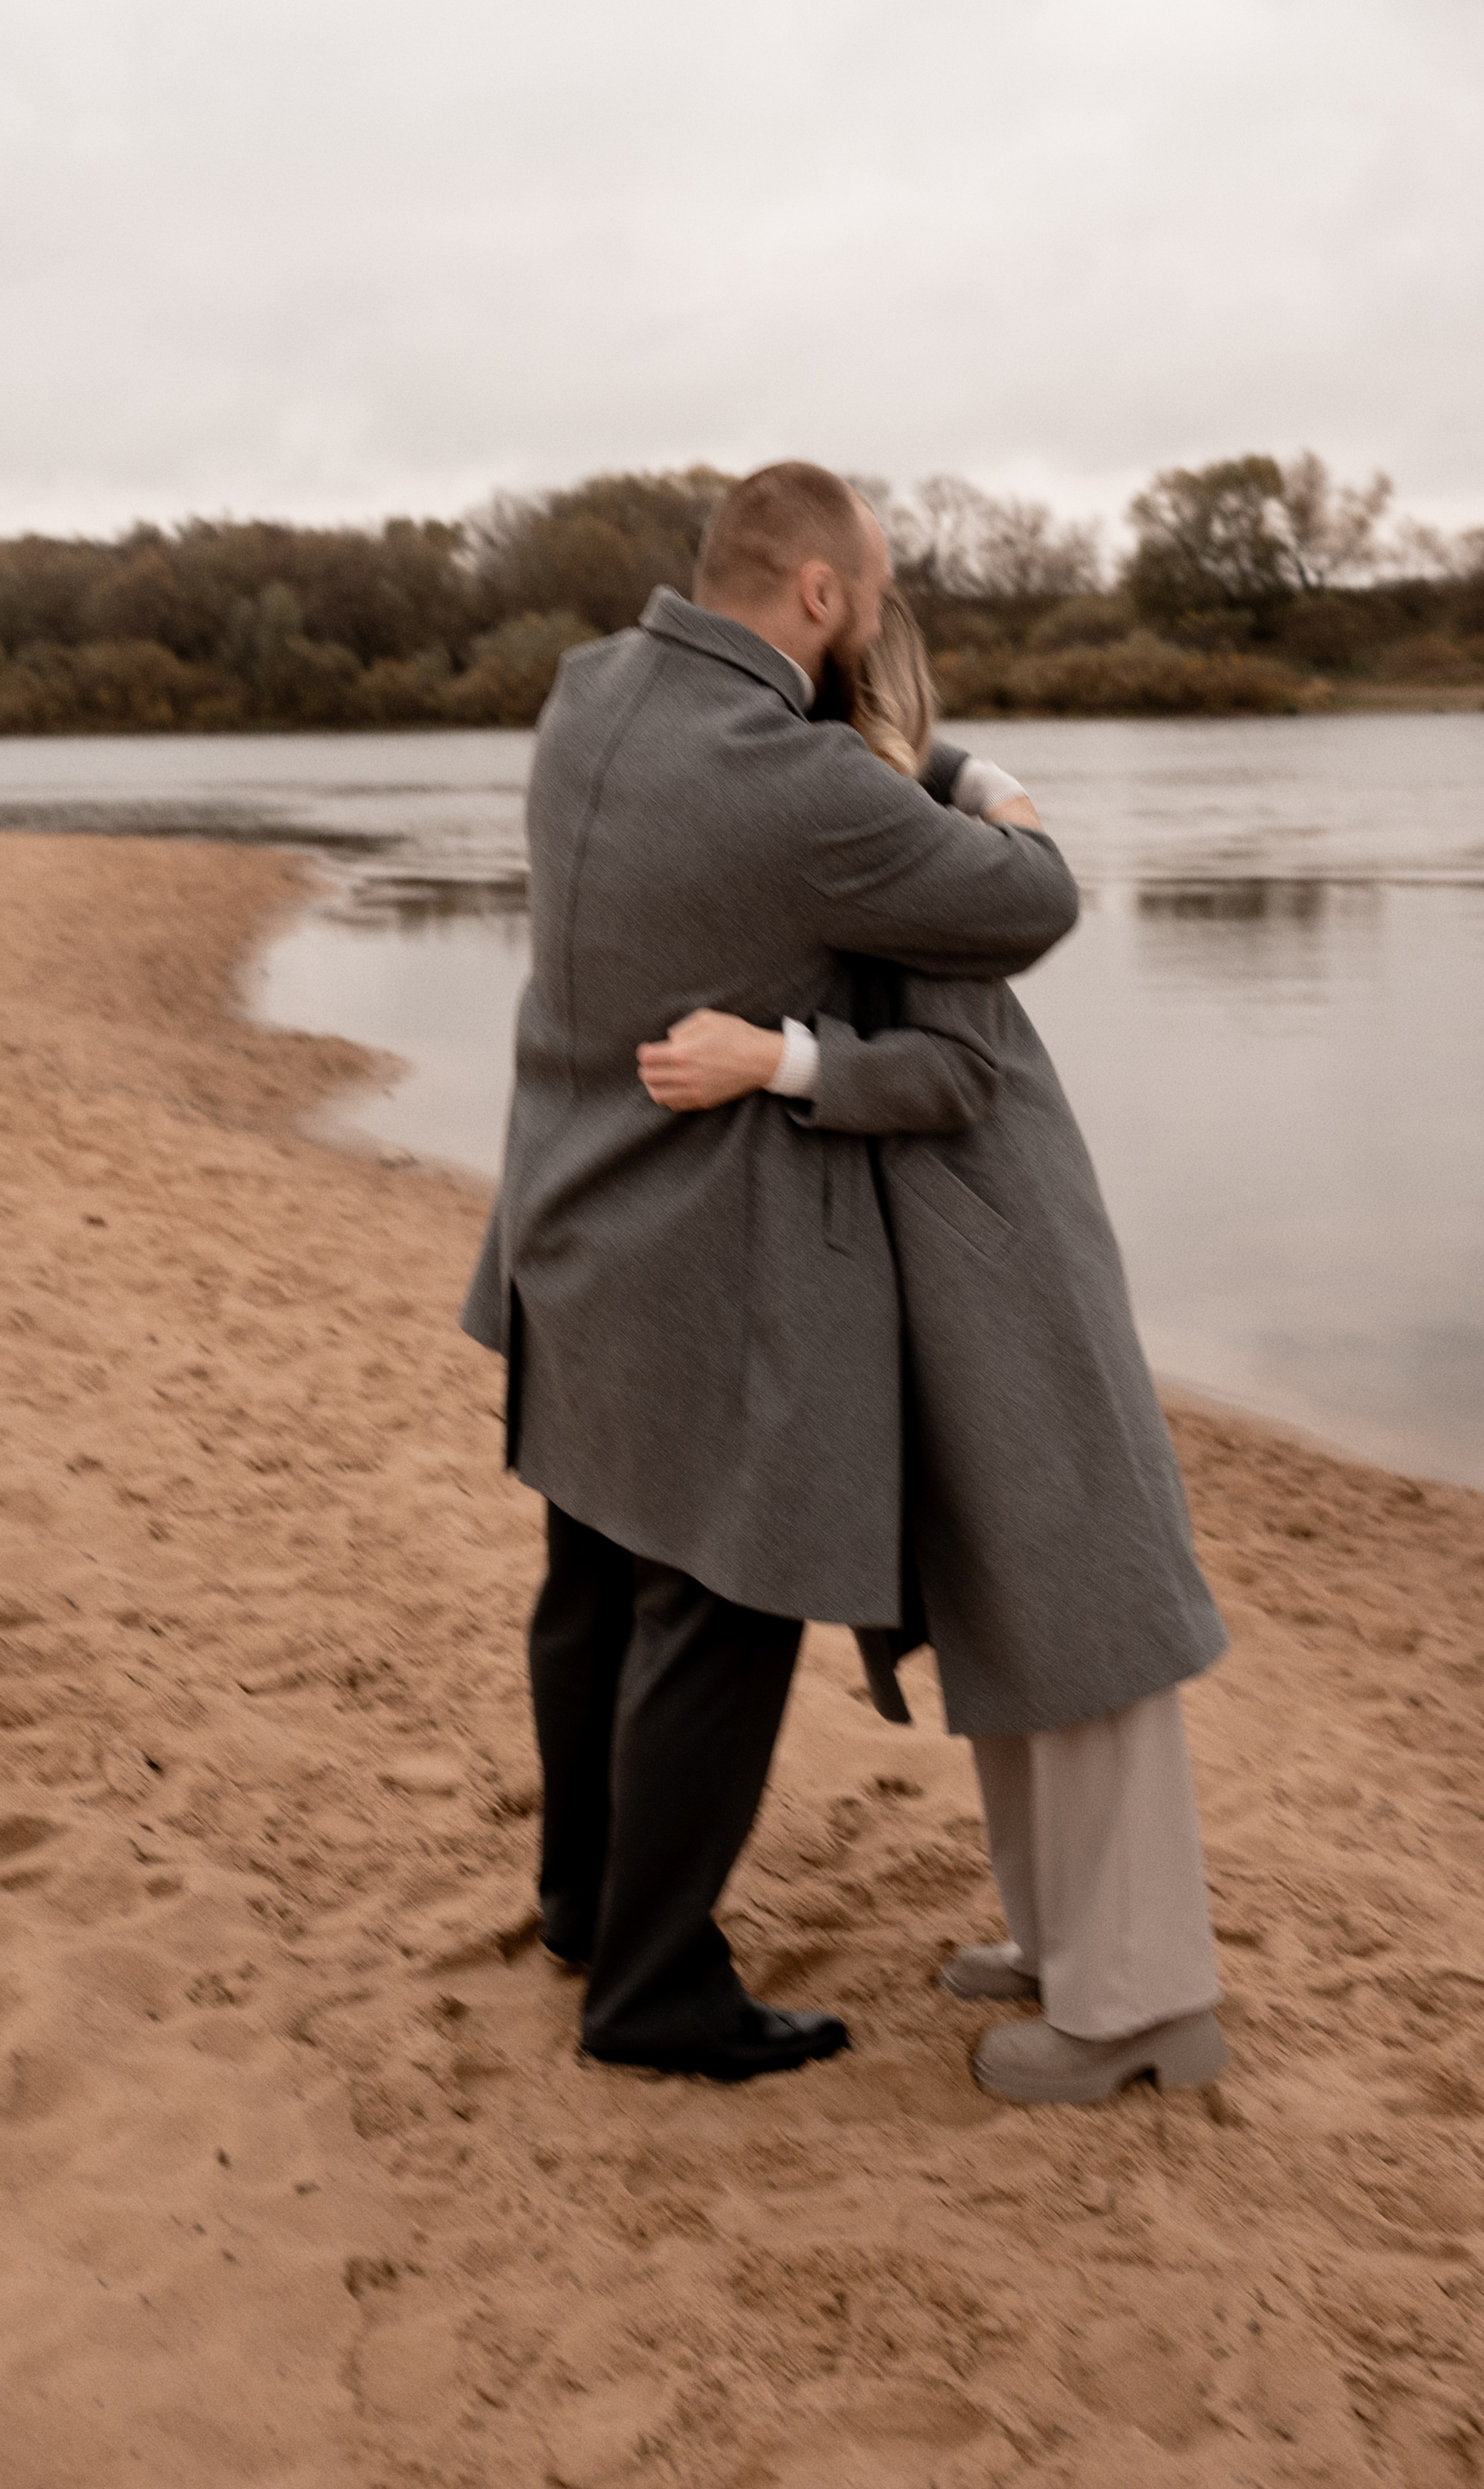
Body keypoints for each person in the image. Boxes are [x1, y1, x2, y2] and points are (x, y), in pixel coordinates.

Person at [460, 466, 1080, 2083]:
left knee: (589, 1581)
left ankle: (588, 1906)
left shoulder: (589, 692)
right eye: (868, 588)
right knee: (719, 1613)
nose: (874, 611)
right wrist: (983, 778)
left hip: (556, 1220)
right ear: (815, 593)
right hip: (696, 1259)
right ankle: (655, 1985)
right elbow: (1031, 902)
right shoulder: (795, 784)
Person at [637, 590, 1229, 2105]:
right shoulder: (876, 809)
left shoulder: (902, 843)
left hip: (1006, 1264)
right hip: (948, 1274)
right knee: (1011, 1614)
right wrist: (974, 776)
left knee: (1080, 1614)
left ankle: (1142, 2003)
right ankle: (1064, 1946)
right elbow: (934, 771)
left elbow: (958, 1069)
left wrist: (771, 1058)